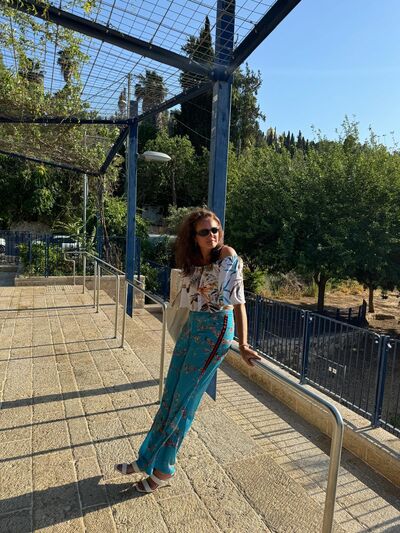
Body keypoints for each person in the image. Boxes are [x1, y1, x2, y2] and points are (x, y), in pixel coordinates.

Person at [115, 208, 260, 493]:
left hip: (215, 331)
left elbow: (238, 302)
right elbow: (187, 301)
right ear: (193, 237)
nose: (212, 236)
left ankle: (162, 470)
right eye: (204, 232)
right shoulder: (192, 261)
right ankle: (146, 459)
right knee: (170, 397)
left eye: (215, 230)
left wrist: (243, 344)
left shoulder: (227, 256)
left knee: (183, 402)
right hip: (192, 328)